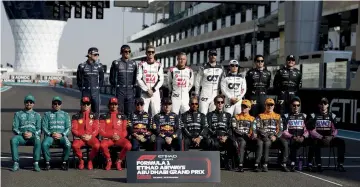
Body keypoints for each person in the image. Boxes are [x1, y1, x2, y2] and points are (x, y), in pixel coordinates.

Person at [306, 97, 346, 172]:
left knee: (341, 142)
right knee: (313, 142)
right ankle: (318, 164)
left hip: (329, 139)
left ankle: (340, 164)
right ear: (319, 105)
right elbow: (311, 130)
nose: (323, 105)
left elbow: (335, 129)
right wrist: (321, 137)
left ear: (328, 105)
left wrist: (331, 137)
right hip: (318, 139)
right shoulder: (314, 115)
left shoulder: (332, 116)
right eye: (321, 103)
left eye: (325, 103)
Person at [255, 98, 289, 172]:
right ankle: (265, 164)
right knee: (267, 142)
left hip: (275, 137)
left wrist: (275, 136)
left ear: (274, 106)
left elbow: (281, 129)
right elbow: (258, 128)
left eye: (271, 105)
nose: (270, 106)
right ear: (265, 105)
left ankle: (284, 164)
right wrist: (268, 135)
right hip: (265, 137)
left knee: (285, 142)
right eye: (268, 105)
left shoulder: (278, 116)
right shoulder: (260, 116)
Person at [10, 94, 41, 172]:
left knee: (38, 139)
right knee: (13, 140)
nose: (29, 103)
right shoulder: (18, 114)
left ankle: (36, 163)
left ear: (33, 104)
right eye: (27, 102)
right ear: (24, 103)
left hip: (32, 136)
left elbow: (39, 129)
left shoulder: (37, 115)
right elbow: (14, 128)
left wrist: (33, 134)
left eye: (31, 102)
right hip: (21, 136)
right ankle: (16, 163)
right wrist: (21, 133)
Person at [99, 97, 132, 171]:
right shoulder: (103, 116)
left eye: (115, 104)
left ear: (118, 105)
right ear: (109, 105)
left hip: (119, 138)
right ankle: (109, 161)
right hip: (109, 138)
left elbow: (125, 131)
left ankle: (119, 161)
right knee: (102, 145)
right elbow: (101, 130)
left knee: (128, 145)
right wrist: (111, 136)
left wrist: (119, 136)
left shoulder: (123, 116)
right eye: (112, 104)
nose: (113, 106)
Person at [231, 99, 262, 172]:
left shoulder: (252, 118)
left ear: (249, 108)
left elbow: (254, 129)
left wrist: (253, 134)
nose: (243, 108)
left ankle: (256, 164)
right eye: (242, 106)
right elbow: (234, 129)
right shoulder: (235, 117)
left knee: (260, 142)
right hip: (239, 137)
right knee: (242, 142)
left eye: (245, 107)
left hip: (249, 138)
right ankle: (240, 165)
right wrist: (244, 134)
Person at [41, 96, 71, 171]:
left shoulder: (65, 114)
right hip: (50, 136)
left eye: (59, 103)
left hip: (62, 136)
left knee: (68, 144)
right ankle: (47, 162)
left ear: (61, 105)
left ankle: (64, 162)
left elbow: (68, 127)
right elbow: (44, 127)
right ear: (52, 105)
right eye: (55, 103)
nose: (57, 105)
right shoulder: (47, 114)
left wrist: (62, 134)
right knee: (44, 144)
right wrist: (50, 134)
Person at [71, 96, 100, 170]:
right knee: (74, 145)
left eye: (88, 103)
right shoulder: (76, 116)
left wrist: (91, 136)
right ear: (81, 104)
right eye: (84, 104)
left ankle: (90, 160)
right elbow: (74, 129)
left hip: (91, 137)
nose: (86, 105)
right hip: (81, 137)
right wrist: (81, 135)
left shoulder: (94, 116)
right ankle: (81, 159)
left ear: (90, 104)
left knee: (97, 145)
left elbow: (96, 128)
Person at [206, 95, 234, 170]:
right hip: (214, 136)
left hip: (225, 136)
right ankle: (213, 163)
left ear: (224, 103)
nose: (220, 104)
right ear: (215, 103)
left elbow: (230, 128)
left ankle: (229, 162)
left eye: (222, 102)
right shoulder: (209, 115)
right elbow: (208, 127)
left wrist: (226, 136)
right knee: (210, 142)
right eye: (218, 102)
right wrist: (217, 136)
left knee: (233, 142)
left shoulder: (228, 115)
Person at [281, 97, 309, 172]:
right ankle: (293, 163)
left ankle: (310, 164)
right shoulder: (286, 116)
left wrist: (303, 137)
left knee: (313, 141)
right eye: (294, 105)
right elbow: (284, 131)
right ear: (291, 106)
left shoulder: (304, 116)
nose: (296, 107)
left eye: (298, 105)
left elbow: (307, 130)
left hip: (301, 138)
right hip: (290, 138)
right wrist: (292, 136)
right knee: (293, 142)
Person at [109, 45, 137, 117]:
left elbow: (135, 77)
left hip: (130, 90)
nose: (127, 53)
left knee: (130, 111)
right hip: (120, 90)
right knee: (119, 111)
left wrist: (133, 87)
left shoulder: (133, 63)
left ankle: (128, 127)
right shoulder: (116, 63)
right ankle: (120, 127)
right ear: (121, 52)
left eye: (129, 51)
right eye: (125, 51)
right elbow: (112, 77)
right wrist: (115, 86)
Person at [194, 49, 224, 115]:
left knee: (213, 115)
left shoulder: (221, 67)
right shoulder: (203, 67)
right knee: (202, 114)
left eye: (214, 55)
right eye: (211, 55)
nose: (213, 56)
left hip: (215, 94)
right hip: (205, 93)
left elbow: (223, 81)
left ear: (216, 56)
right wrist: (196, 93)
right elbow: (197, 81)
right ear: (208, 56)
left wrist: (222, 93)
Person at [136, 45, 164, 115]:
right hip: (145, 92)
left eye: (152, 52)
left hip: (155, 93)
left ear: (154, 53)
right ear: (146, 53)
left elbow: (161, 79)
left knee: (156, 113)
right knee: (143, 113)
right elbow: (138, 79)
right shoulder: (141, 65)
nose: (150, 53)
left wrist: (153, 90)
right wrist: (146, 90)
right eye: (149, 52)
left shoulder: (159, 65)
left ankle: (155, 126)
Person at [76, 47, 105, 115]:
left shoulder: (99, 66)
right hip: (86, 92)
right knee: (84, 112)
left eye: (97, 54)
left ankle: (96, 125)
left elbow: (101, 79)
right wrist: (82, 89)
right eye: (95, 54)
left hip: (95, 92)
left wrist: (98, 88)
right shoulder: (82, 66)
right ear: (89, 54)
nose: (97, 56)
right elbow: (79, 79)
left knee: (96, 112)